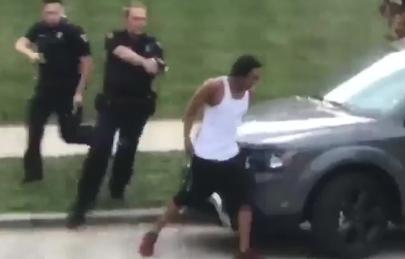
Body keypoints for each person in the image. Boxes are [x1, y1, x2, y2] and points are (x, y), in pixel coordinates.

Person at [138, 55, 263, 259]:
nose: (255, 83)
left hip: (231, 156)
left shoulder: (249, 95)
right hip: (206, 157)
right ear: (240, 76)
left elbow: (232, 122)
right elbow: (190, 112)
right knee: (186, 198)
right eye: (253, 78)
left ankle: (244, 251)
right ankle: (153, 234)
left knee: (245, 201)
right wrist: (187, 138)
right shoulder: (215, 87)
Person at [66, 2, 167, 228]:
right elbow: (122, 53)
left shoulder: (153, 43)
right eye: (135, 18)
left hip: (138, 107)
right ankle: (83, 203)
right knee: (100, 149)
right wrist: (143, 61)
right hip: (112, 106)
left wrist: (152, 63)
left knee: (127, 149)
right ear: (126, 20)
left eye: (142, 19)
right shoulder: (115, 37)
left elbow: (158, 67)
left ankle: (117, 188)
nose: (139, 23)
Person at [15, 0, 93, 183]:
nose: (51, 16)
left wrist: (80, 92)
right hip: (44, 91)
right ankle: (32, 175)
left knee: (70, 134)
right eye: (48, 13)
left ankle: (99, 139)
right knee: (34, 131)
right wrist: (30, 54)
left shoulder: (73, 32)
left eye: (55, 12)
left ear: (62, 12)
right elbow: (20, 43)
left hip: (67, 92)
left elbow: (87, 63)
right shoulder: (39, 28)